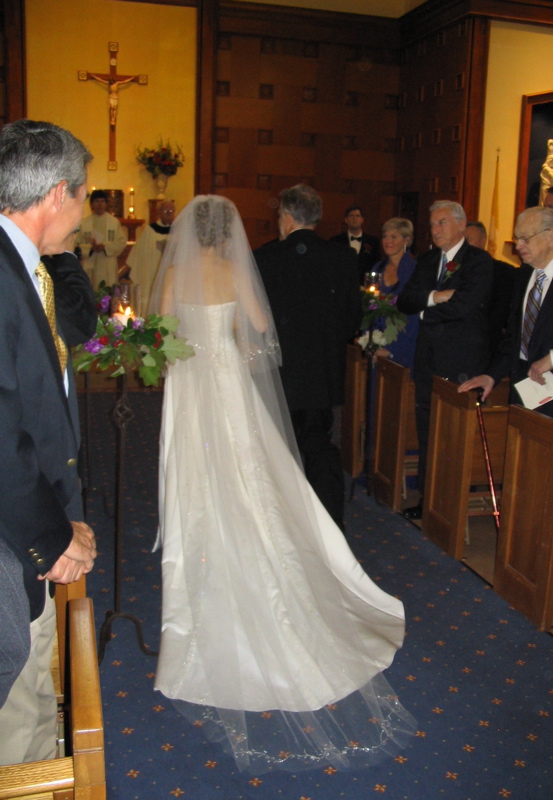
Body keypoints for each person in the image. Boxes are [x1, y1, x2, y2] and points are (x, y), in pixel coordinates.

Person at [149, 195, 416, 772]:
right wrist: (237, 346)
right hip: (225, 380)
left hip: (191, 385)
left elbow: (161, 331)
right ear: (229, 234)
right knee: (252, 473)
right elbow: (263, 327)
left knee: (196, 473)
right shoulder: (236, 268)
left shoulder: (173, 273)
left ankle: (202, 553)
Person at [0, 119, 97, 765]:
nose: (87, 213)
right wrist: (51, 536)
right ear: (59, 193)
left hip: (28, 523)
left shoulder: (23, 266)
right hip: (12, 547)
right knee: (23, 727)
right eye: (86, 195)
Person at [254, 185, 362, 531]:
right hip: (322, 370)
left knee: (280, 447)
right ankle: (331, 521)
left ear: (286, 217)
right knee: (320, 444)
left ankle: (284, 522)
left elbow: (257, 323)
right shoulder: (343, 257)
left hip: (280, 372)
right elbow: (352, 320)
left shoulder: (265, 258)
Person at [459, 206, 553, 444]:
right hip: (525, 393)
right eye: (517, 238)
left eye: (525, 238)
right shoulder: (523, 275)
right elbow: (515, 337)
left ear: (551, 236)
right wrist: (492, 375)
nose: (518, 245)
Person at [396, 201, 493, 520]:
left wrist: (425, 309)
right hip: (427, 359)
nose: (435, 230)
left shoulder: (478, 262)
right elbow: (405, 301)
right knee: (427, 431)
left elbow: (465, 305)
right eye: (432, 224)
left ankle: (450, 503)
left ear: (461, 225)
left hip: (460, 360)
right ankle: (428, 499)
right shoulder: (426, 261)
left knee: (453, 436)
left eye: (441, 223)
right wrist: (435, 298)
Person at [374, 217, 419, 373]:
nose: (388, 241)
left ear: (406, 241)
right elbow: (370, 306)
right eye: (385, 236)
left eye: (394, 236)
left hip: (403, 346)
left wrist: (392, 349)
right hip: (377, 343)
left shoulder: (414, 271)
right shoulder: (378, 268)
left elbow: (414, 317)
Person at [465, 220, 515, 355]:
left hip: (489, 343)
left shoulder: (504, 272)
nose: (465, 244)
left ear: (483, 240)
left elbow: (502, 312)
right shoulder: (455, 271)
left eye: (469, 239)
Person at [125, 200, 175, 317]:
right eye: (165, 210)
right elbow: (140, 253)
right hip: (152, 274)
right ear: (159, 213)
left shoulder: (178, 230)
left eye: (171, 210)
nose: (169, 213)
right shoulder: (150, 230)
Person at [76, 188, 127, 287]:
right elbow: (77, 243)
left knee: (108, 290)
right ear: (91, 204)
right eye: (96, 201)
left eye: (102, 201)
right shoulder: (84, 223)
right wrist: (90, 249)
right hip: (91, 262)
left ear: (106, 204)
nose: (99, 204)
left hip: (107, 262)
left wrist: (105, 247)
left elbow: (121, 242)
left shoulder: (114, 222)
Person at [330, 204, 381, 284]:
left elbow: (377, 265)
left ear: (362, 219)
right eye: (351, 216)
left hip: (366, 285)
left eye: (357, 216)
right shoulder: (336, 241)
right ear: (346, 220)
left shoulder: (373, 241)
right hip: (343, 284)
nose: (354, 218)